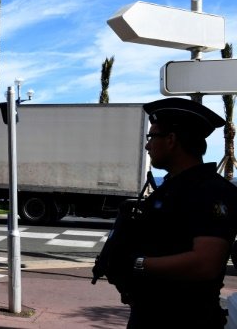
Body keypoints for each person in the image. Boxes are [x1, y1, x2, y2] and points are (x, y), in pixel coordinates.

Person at [95, 97, 237, 328]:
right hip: (149, 315)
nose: (147, 145)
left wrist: (136, 264)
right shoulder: (171, 189)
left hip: (185, 319)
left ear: (171, 140)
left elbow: (205, 263)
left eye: (152, 137)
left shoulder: (211, 191)